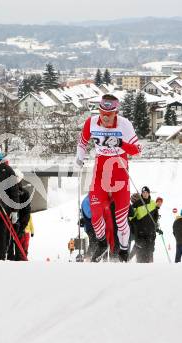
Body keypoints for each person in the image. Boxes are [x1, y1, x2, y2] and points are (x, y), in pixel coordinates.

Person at [75, 94, 141, 262]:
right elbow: (82, 143)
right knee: (95, 214)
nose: (105, 117)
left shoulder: (124, 124)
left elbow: (137, 150)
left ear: (115, 113)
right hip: (100, 173)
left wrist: (120, 144)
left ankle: (124, 249)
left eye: (109, 114)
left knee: (120, 220)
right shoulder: (91, 122)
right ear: (99, 110)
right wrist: (79, 159)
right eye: (102, 112)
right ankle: (102, 243)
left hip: (119, 174)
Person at [7, 169, 31, 261]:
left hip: (18, 223)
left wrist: (22, 226)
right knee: (11, 246)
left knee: (16, 247)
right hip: (13, 222)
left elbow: (26, 211)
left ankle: (16, 259)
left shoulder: (24, 193)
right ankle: (14, 259)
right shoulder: (9, 192)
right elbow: (27, 212)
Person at [131, 186, 159, 263]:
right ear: (142, 194)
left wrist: (155, 225)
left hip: (151, 234)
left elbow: (156, 215)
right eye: (143, 193)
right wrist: (136, 224)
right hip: (141, 234)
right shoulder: (137, 204)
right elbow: (131, 217)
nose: (145, 194)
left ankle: (150, 271)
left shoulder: (153, 203)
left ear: (149, 193)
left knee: (150, 253)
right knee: (141, 255)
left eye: (146, 192)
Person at [80, 195, 97, 259]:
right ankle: (88, 258)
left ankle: (91, 257)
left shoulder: (92, 200)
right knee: (93, 242)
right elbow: (89, 214)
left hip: (94, 226)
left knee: (96, 242)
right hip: (89, 226)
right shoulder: (86, 201)